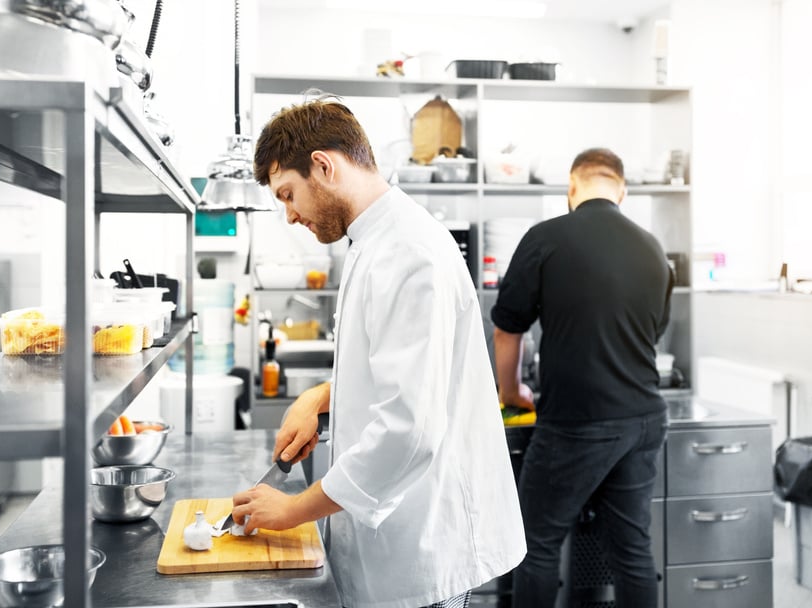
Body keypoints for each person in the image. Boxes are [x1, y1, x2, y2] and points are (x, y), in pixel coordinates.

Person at [232, 97, 526, 608]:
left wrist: (296, 508)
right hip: (395, 543)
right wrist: (321, 398)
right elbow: (392, 369)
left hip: (422, 553)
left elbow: (408, 429)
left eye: (289, 194)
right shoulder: (375, 241)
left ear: (323, 166)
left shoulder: (409, 252)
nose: (290, 215)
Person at [491, 148, 673, 608]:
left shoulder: (545, 238)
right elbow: (652, 333)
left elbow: (507, 329)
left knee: (537, 543)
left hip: (575, 421)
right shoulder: (653, 249)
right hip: (643, 418)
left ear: (571, 188)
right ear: (621, 189)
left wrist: (510, 391)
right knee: (632, 551)